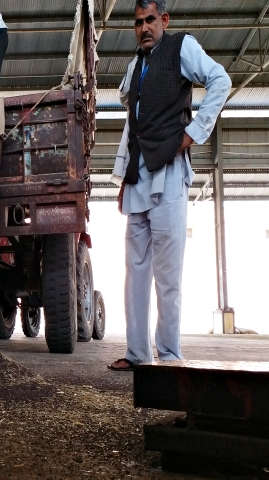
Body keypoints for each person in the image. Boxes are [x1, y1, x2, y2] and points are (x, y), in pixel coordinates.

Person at [108, 0, 231, 371]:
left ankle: (170, 355)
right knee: (134, 272)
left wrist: (193, 133)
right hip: (138, 176)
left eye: (150, 20)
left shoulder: (181, 47)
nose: (144, 28)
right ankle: (137, 354)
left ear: (163, 20)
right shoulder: (134, 65)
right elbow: (134, 124)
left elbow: (220, 80)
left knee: (167, 273)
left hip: (170, 173)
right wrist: (123, 176)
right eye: (138, 23)